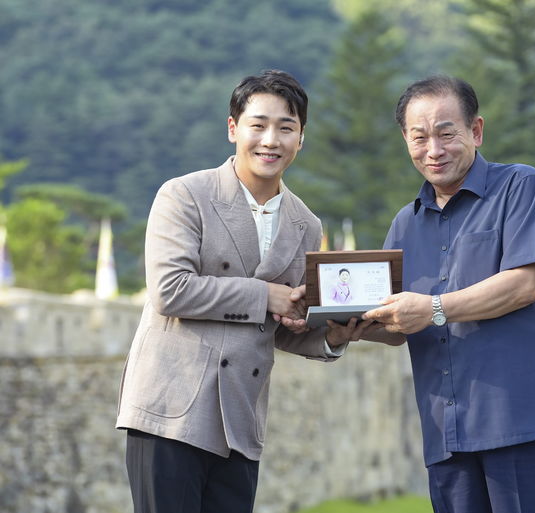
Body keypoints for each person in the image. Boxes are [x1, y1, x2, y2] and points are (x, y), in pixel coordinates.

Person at [116, 70, 369, 513]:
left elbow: (280, 324)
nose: (271, 139)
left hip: (241, 418)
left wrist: (331, 336)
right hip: (170, 412)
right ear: (234, 129)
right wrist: (264, 295)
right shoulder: (184, 195)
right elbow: (170, 291)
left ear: (301, 139)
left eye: (286, 128)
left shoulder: (306, 224)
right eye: (259, 124)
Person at [363, 75, 535, 513]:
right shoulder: (404, 226)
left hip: (527, 423)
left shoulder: (521, 187)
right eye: (419, 137)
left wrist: (432, 308)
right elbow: (397, 325)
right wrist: (338, 327)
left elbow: (526, 283)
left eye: (447, 134)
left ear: (476, 131)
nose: (434, 149)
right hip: (447, 436)